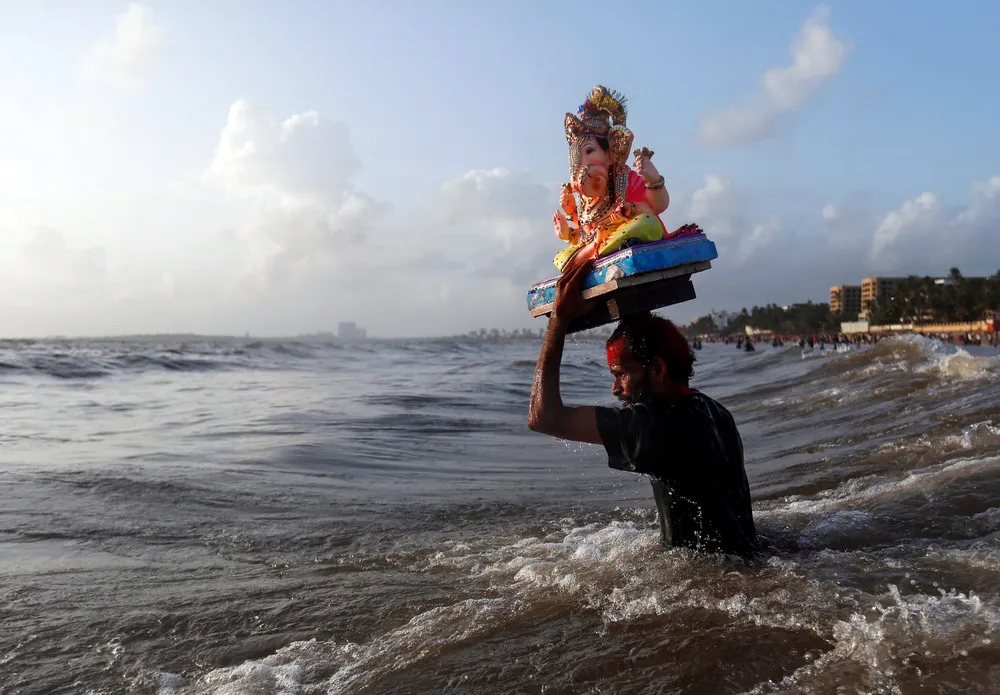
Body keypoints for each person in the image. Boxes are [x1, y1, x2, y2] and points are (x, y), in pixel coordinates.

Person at [527, 247, 759, 559]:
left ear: (658, 370)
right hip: (748, 558)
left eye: (621, 374)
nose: (614, 389)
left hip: (712, 580)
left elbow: (544, 417)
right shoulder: (713, 411)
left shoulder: (653, 426)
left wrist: (559, 319)